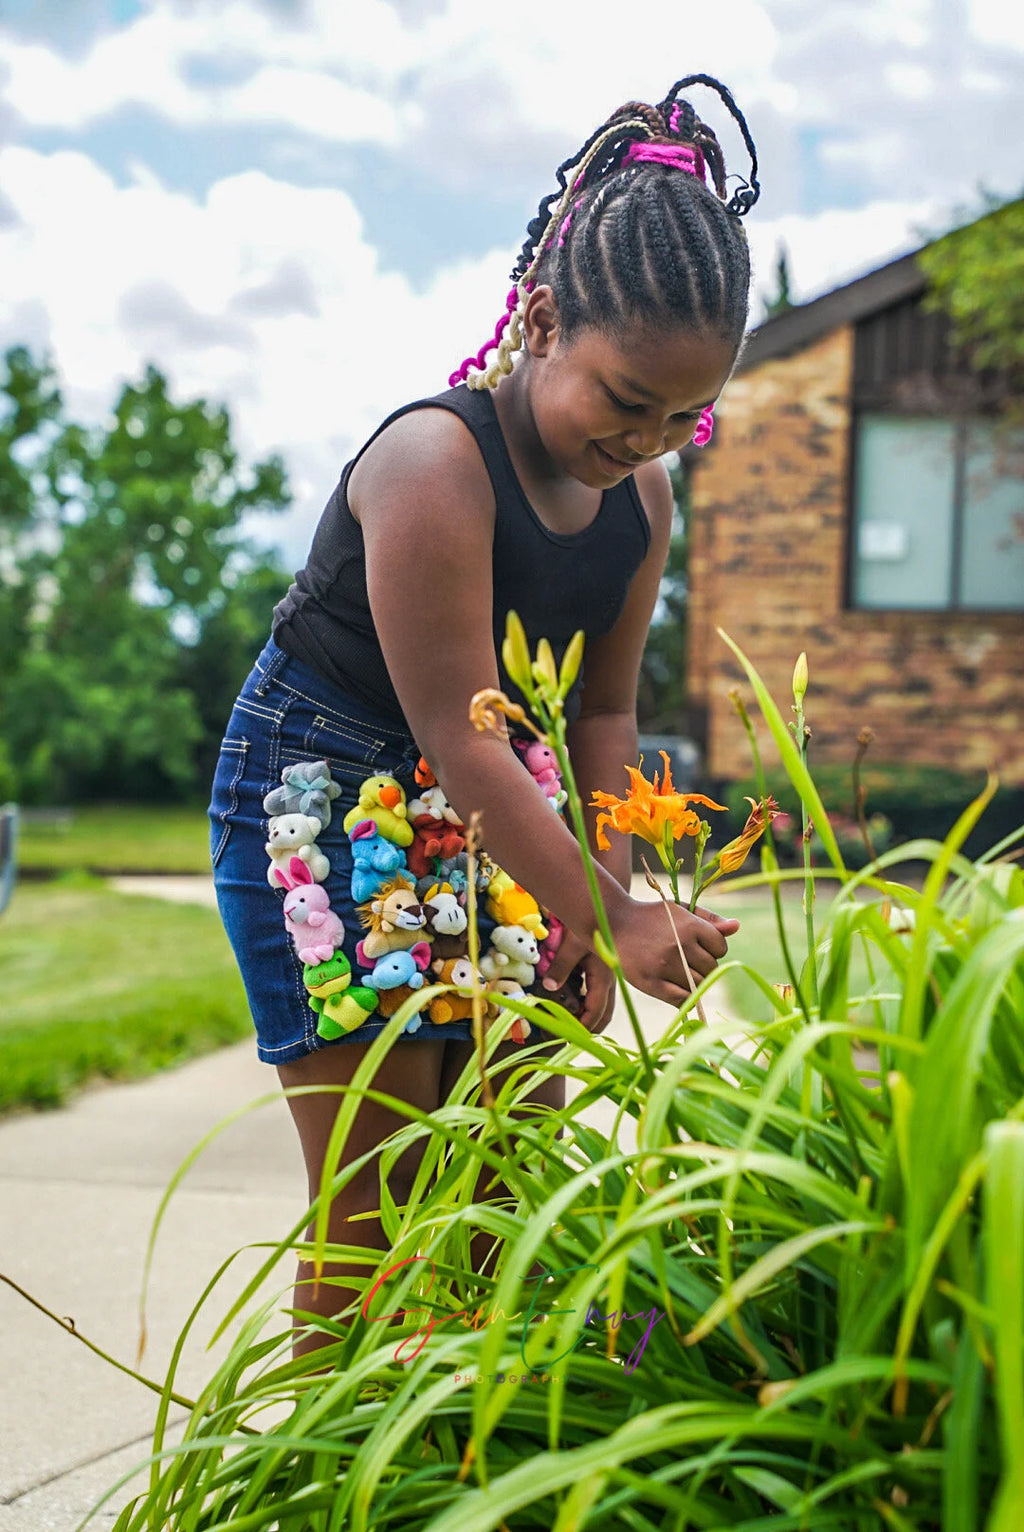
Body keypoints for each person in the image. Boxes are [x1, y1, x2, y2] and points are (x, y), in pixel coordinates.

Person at [206, 72, 759, 1360]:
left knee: (513, 1169)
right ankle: (329, 1483)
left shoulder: (647, 498)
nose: (652, 437)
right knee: (378, 1197)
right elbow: (458, 730)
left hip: (500, 809)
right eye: (628, 400)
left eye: (686, 414)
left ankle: (472, 1468)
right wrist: (610, 918)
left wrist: (600, 894)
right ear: (546, 319)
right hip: (325, 796)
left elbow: (607, 715)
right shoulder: (432, 466)